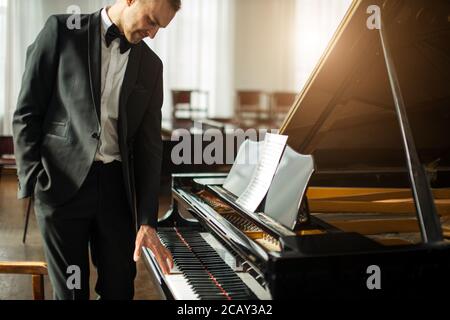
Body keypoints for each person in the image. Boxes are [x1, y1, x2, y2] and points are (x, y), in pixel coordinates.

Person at [12, 0, 179, 300]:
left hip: (117, 191)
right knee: (72, 293)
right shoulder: (61, 32)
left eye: (160, 28)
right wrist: (35, 180)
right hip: (61, 187)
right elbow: (27, 113)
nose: (153, 33)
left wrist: (146, 221)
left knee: (119, 290)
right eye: (151, 20)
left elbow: (150, 147)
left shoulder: (152, 66)